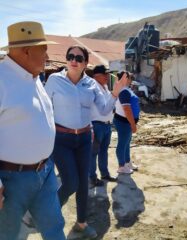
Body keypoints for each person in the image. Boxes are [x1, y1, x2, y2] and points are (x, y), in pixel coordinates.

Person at [44, 45, 127, 239]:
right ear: (66, 60)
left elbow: (105, 109)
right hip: (61, 139)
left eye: (79, 58)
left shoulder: (91, 84)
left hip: (83, 138)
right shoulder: (54, 80)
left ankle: (81, 223)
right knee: (71, 182)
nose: (74, 60)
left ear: (85, 63)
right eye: (70, 56)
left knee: (83, 184)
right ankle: (47, 213)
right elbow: (45, 108)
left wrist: (115, 92)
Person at [0, 21, 66, 240]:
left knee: (55, 227)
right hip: (10, 180)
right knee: (6, 234)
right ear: (26, 51)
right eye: (43, 49)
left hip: (45, 171)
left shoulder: (34, 76)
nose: (47, 55)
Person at [89, 65, 118, 187]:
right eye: (104, 74)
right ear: (97, 76)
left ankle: (104, 174)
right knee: (93, 153)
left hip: (106, 125)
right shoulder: (93, 87)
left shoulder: (105, 87)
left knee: (103, 151)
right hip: (97, 125)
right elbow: (102, 110)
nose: (107, 77)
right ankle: (92, 177)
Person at [114, 71, 140, 174]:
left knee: (126, 143)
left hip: (126, 122)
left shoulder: (126, 89)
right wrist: (133, 124)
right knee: (122, 144)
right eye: (129, 77)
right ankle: (121, 166)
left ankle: (127, 162)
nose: (131, 79)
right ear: (125, 78)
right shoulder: (123, 91)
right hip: (123, 122)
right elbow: (127, 109)